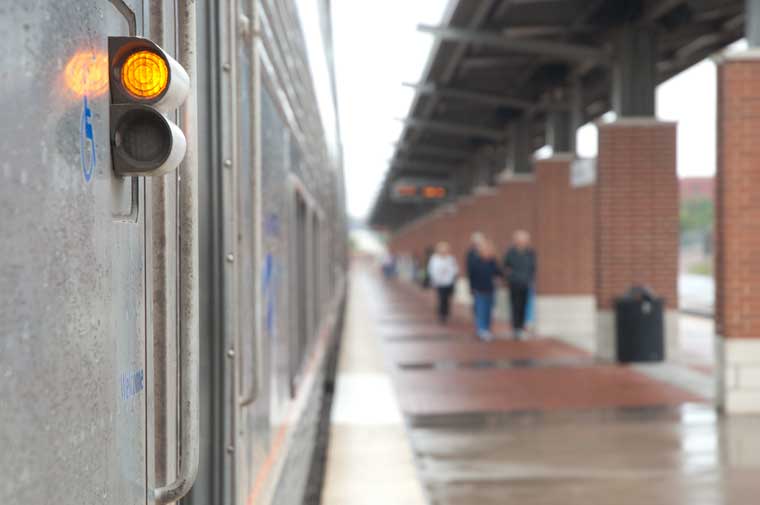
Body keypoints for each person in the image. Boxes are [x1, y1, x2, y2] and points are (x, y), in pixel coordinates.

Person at [503, 230, 536, 340]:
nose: (523, 242)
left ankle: (521, 327)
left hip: (526, 284)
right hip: (514, 284)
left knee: (523, 306)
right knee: (515, 306)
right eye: (521, 240)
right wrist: (510, 277)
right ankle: (516, 328)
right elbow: (506, 266)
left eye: (525, 240)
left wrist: (530, 278)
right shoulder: (510, 252)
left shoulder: (530, 252)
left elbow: (533, 267)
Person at [469, 238, 502, 341]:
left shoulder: (493, 262)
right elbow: (472, 276)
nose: (487, 252)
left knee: (488, 311)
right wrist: (472, 288)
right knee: (480, 311)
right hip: (479, 290)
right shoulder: (475, 262)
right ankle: (481, 329)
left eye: (489, 250)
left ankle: (487, 329)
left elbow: (499, 273)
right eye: (485, 250)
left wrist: (499, 278)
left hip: (490, 289)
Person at [427, 242, 459, 324]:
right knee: (442, 298)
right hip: (439, 283)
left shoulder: (451, 258)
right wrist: (435, 278)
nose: (444, 251)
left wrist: (453, 274)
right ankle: (442, 314)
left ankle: (446, 312)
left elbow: (455, 268)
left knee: (447, 298)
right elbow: (431, 270)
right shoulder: (434, 259)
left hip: (449, 282)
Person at [466, 232, 484, 316]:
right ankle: (478, 319)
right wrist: (471, 284)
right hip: (475, 281)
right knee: (477, 301)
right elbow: (470, 269)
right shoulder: (470, 254)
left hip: (486, 282)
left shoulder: (487, 253)